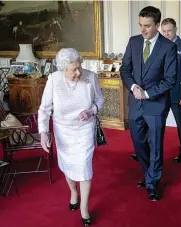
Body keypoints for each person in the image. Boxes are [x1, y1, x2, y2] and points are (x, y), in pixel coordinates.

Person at [38, 48, 104, 226]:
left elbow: (100, 100)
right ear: (62, 69)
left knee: (84, 166)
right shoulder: (54, 80)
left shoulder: (90, 77)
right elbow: (44, 109)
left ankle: (84, 207)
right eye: (73, 69)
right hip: (63, 131)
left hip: (84, 129)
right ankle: (74, 192)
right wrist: (43, 132)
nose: (78, 72)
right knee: (67, 165)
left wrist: (91, 111)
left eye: (79, 67)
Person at [120, 6, 177, 202]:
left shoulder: (168, 47)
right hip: (135, 103)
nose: (142, 30)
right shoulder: (134, 42)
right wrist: (134, 86)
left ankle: (153, 182)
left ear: (157, 25)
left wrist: (147, 93)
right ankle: (149, 172)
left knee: (155, 145)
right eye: (140, 25)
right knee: (139, 143)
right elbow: (125, 70)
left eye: (147, 26)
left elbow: (170, 80)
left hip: (156, 104)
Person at [129, 18, 181, 164]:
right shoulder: (158, 45)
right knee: (154, 126)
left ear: (176, 29)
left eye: (169, 31)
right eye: (164, 31)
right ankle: (146, 152)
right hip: (159, 93)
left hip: (177, 93)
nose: (167, 34)